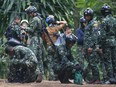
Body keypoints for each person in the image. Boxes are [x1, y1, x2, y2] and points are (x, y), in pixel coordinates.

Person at [42, 15, 67, 80]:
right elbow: (65, 23)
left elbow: (43, 39)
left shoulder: (46, 29)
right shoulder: (56, 28)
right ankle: (57, 76)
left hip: (49, 47)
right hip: (56, 47)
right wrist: (58, 22)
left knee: (50, 62)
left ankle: (52, 77)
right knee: (56, 61)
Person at [25, 6, 45, 76]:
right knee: (39, 58)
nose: (29, 15)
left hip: (35, 40)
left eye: (29, 13)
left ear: (32, 13)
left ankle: (35, 73)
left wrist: (24, 28)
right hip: (39, 40)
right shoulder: (40, 18)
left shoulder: (35, 19)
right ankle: (41, 73)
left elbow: (31, 30)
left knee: (33, 56)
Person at [83, 8, 101, 84]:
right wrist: (85, 47)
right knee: (90, 63)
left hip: (92, 47)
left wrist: (91, 46)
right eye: (86, 16)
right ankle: (94, 78)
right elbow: (86, 36)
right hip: (87, 47)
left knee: (93, 63)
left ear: (92, 16)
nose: (87, 17)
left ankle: (97, 78)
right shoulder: (88, 23)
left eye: (89, 16)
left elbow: (94, 36)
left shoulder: (94, 23)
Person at [100, 4, 116, 84]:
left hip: (106, 42)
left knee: (108, 60)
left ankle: (111, 78)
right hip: (114, 42)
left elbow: (102, 35)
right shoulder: (114, 20)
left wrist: (100, 45)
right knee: (114, 59)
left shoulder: (104, 21)